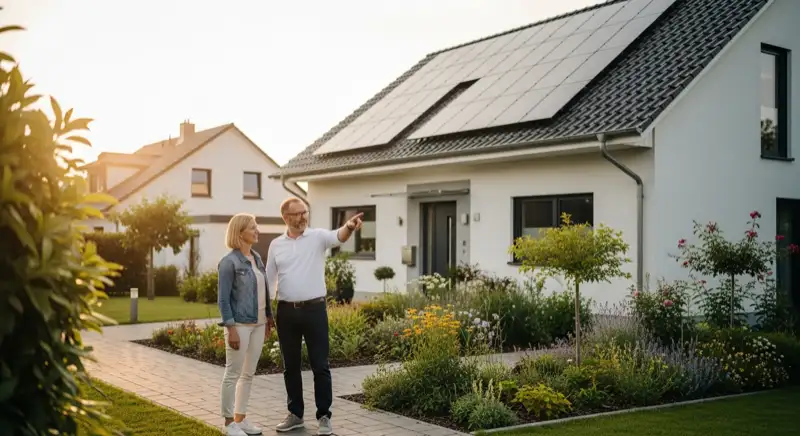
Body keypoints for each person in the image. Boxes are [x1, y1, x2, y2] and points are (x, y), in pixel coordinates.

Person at [266, 197, 362, 436]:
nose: (303, 217)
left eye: (305, 212)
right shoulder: (276, 245)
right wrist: (266, 312)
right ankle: (295, 414)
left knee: (321, 366)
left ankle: (324, 416)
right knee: (291, 367)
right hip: (286, 311)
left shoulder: (317, 237)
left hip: (315, 310)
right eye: (297, 214)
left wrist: (349, 226)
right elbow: (269, 279)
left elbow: (338, 236)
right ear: (286, 218)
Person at [217, 213, 274, 436]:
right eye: (253, 227)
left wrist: (269, 317)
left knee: (248, 373)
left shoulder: (257, 258)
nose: (257, 230)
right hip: (239, 325)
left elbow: (264, 291)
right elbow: (223, 300)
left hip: (259, 324)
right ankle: (229, 423)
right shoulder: (228, 262)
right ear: (240, 232)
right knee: (233, 373)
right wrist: (231, 328)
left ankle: (241, 418)